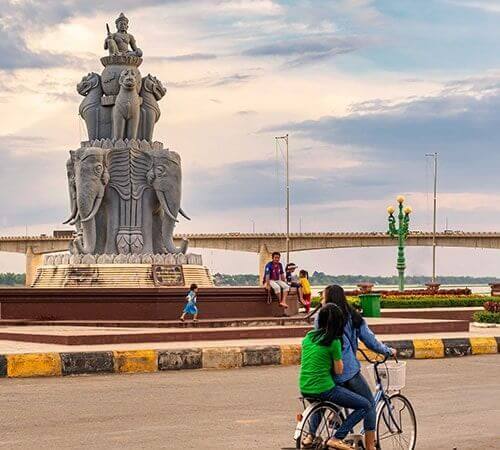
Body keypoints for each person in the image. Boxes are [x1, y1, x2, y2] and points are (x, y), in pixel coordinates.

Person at [315, 285, 396, 450]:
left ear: (329, 299)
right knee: (368, 404)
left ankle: (309, 436)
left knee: (324, 399)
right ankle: (370, 446)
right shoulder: (353, 316)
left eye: (323, 297)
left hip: (325, 368)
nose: (321, 300)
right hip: (347, 370)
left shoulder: (320, 317)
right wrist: (387, 351)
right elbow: (370, 341)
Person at [299, 304, 372, 450]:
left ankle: (309, 436)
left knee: (320, 405)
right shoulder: (334, 342)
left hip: (305, 387)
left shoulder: (308, 337)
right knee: (365, 405)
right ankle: (337, 438)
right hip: (324, 388)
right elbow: (339, 371)